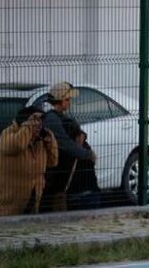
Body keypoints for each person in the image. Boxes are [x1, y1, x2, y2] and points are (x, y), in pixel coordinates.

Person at [0, 106, 57, 216]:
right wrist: (28, 127)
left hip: (32, 196)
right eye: (35, 121)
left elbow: (53, 161)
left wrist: (50, 142)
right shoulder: (8, 133)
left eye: (40, 121)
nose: (39, 125)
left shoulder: (39, 140)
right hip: (7, 200)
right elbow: (18, 145)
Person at [41, 82, 96, 212]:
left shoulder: (59, 116)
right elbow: (66, 143)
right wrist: (87, 154)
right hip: (60, 176)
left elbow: (74, 132)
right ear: (61, 100)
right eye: (68, 99)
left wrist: (82, 135)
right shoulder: (52, 118)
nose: (70, 102)